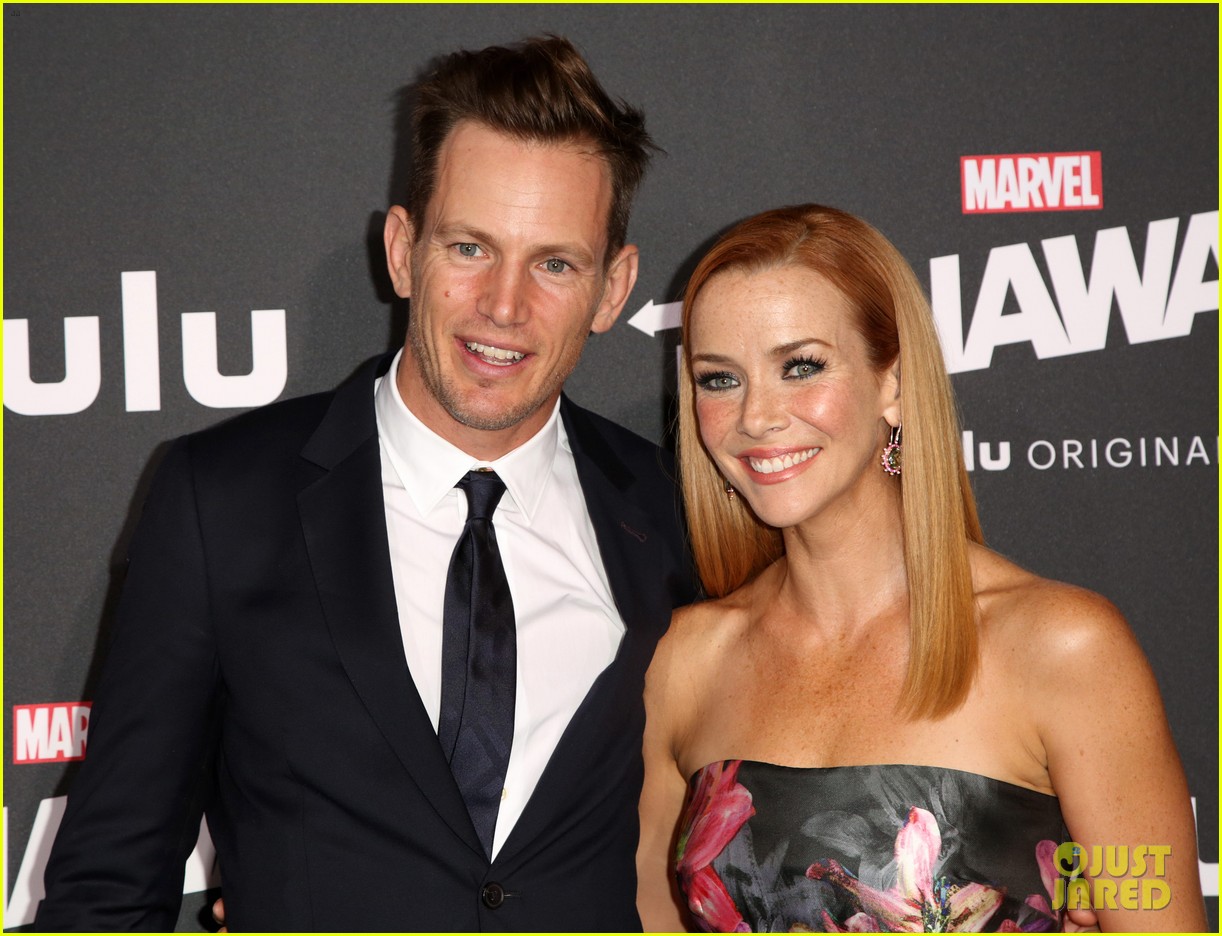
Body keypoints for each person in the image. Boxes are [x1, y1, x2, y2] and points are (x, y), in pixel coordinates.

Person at [35, 36, 698, 932]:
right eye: (469, 247)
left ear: (613, 288)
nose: (504, 306)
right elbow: (106, 891)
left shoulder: (672, 512)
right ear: (401, 250)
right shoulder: (221, 502)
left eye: (555, 263)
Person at [636, 204, 1207, 932]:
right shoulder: (686, 660)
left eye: (801, 367)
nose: (756, 416)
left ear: (895, 384)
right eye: (719, 379)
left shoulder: (1065, 648)